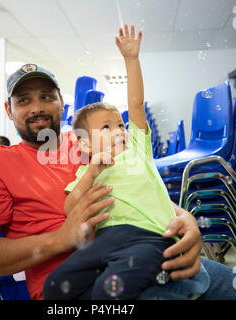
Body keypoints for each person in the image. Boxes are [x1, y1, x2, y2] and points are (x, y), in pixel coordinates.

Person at [0, 40, 236, 301]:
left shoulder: (97, 140)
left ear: (61, 102)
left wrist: (186, 222)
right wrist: (61, 238)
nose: (38, 107)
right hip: (87, 288)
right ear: (8, 110)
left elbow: (138, 187)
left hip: (161, 254)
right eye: (23, 100)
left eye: (46, 96)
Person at [43, 25, 183, 300]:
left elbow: (137, 104)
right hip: (106, 240)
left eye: (120, 124)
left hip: (151, 236)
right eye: (106, 128)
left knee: (109, 290)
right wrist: (92, 173)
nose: (119, 130)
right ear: (85, 144)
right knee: (54, 286)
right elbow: (70, 208)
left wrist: (131, 60)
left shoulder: (137, 148)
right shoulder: (86, 170)